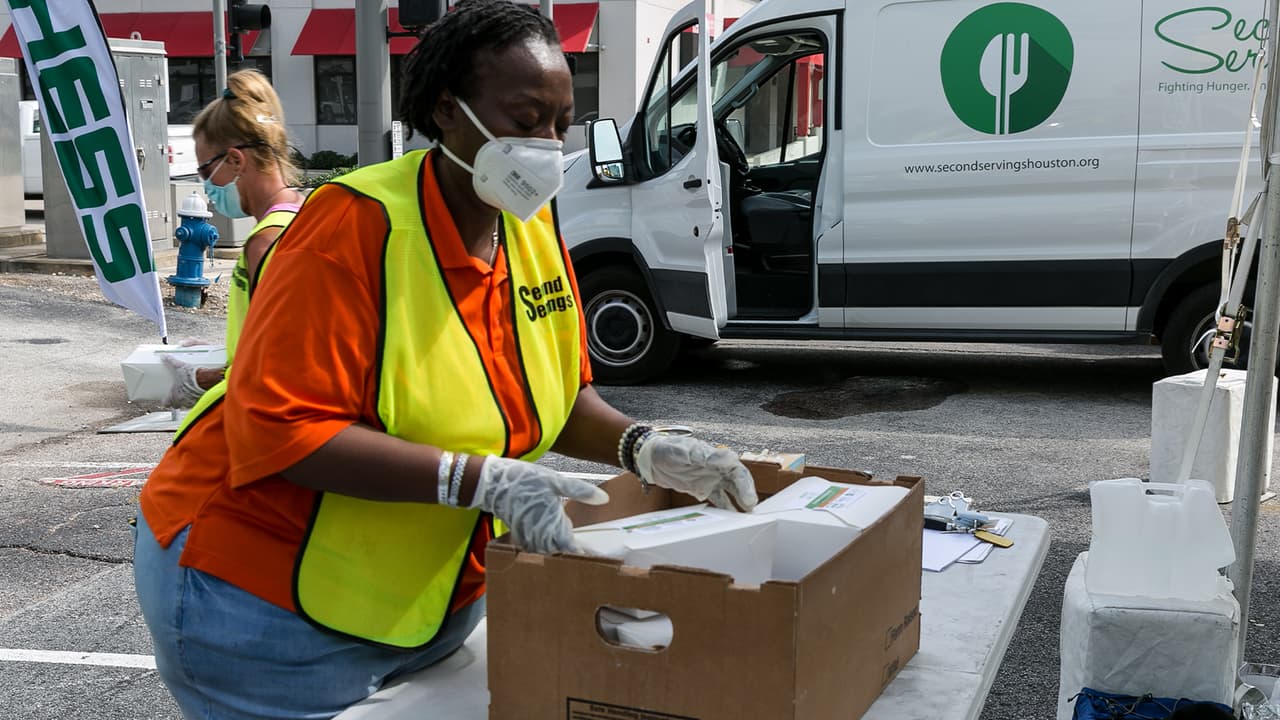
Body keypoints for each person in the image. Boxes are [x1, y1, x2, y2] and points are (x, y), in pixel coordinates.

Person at [132, 1, 758, 717]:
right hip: (261, 600)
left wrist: (642, 445)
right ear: (447, 111)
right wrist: (480, 480)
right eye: (527, 120)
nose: (550, 145)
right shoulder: (354, 226)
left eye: (561, 122)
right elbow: (277, 431)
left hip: (416, 599)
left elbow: (548, 395)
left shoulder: (529, 223)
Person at [162, 69, 306, 408]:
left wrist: (199, 380)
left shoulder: (266, 241)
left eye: (205, 170)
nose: (205, 185)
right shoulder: (300, 212)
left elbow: (281, 365)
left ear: (236, 160)